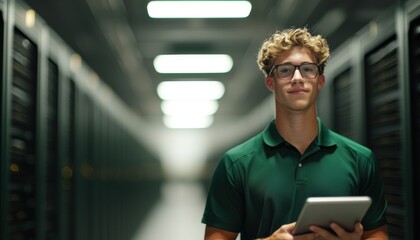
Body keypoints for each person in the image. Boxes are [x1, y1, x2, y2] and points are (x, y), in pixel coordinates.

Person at [201, 27, 388, 240]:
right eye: (285, 70)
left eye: (308, 69)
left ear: (320, 81)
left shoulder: (360, 159)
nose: (297, 78)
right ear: (270, 82)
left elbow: (377, 233)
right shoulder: (236, 163)